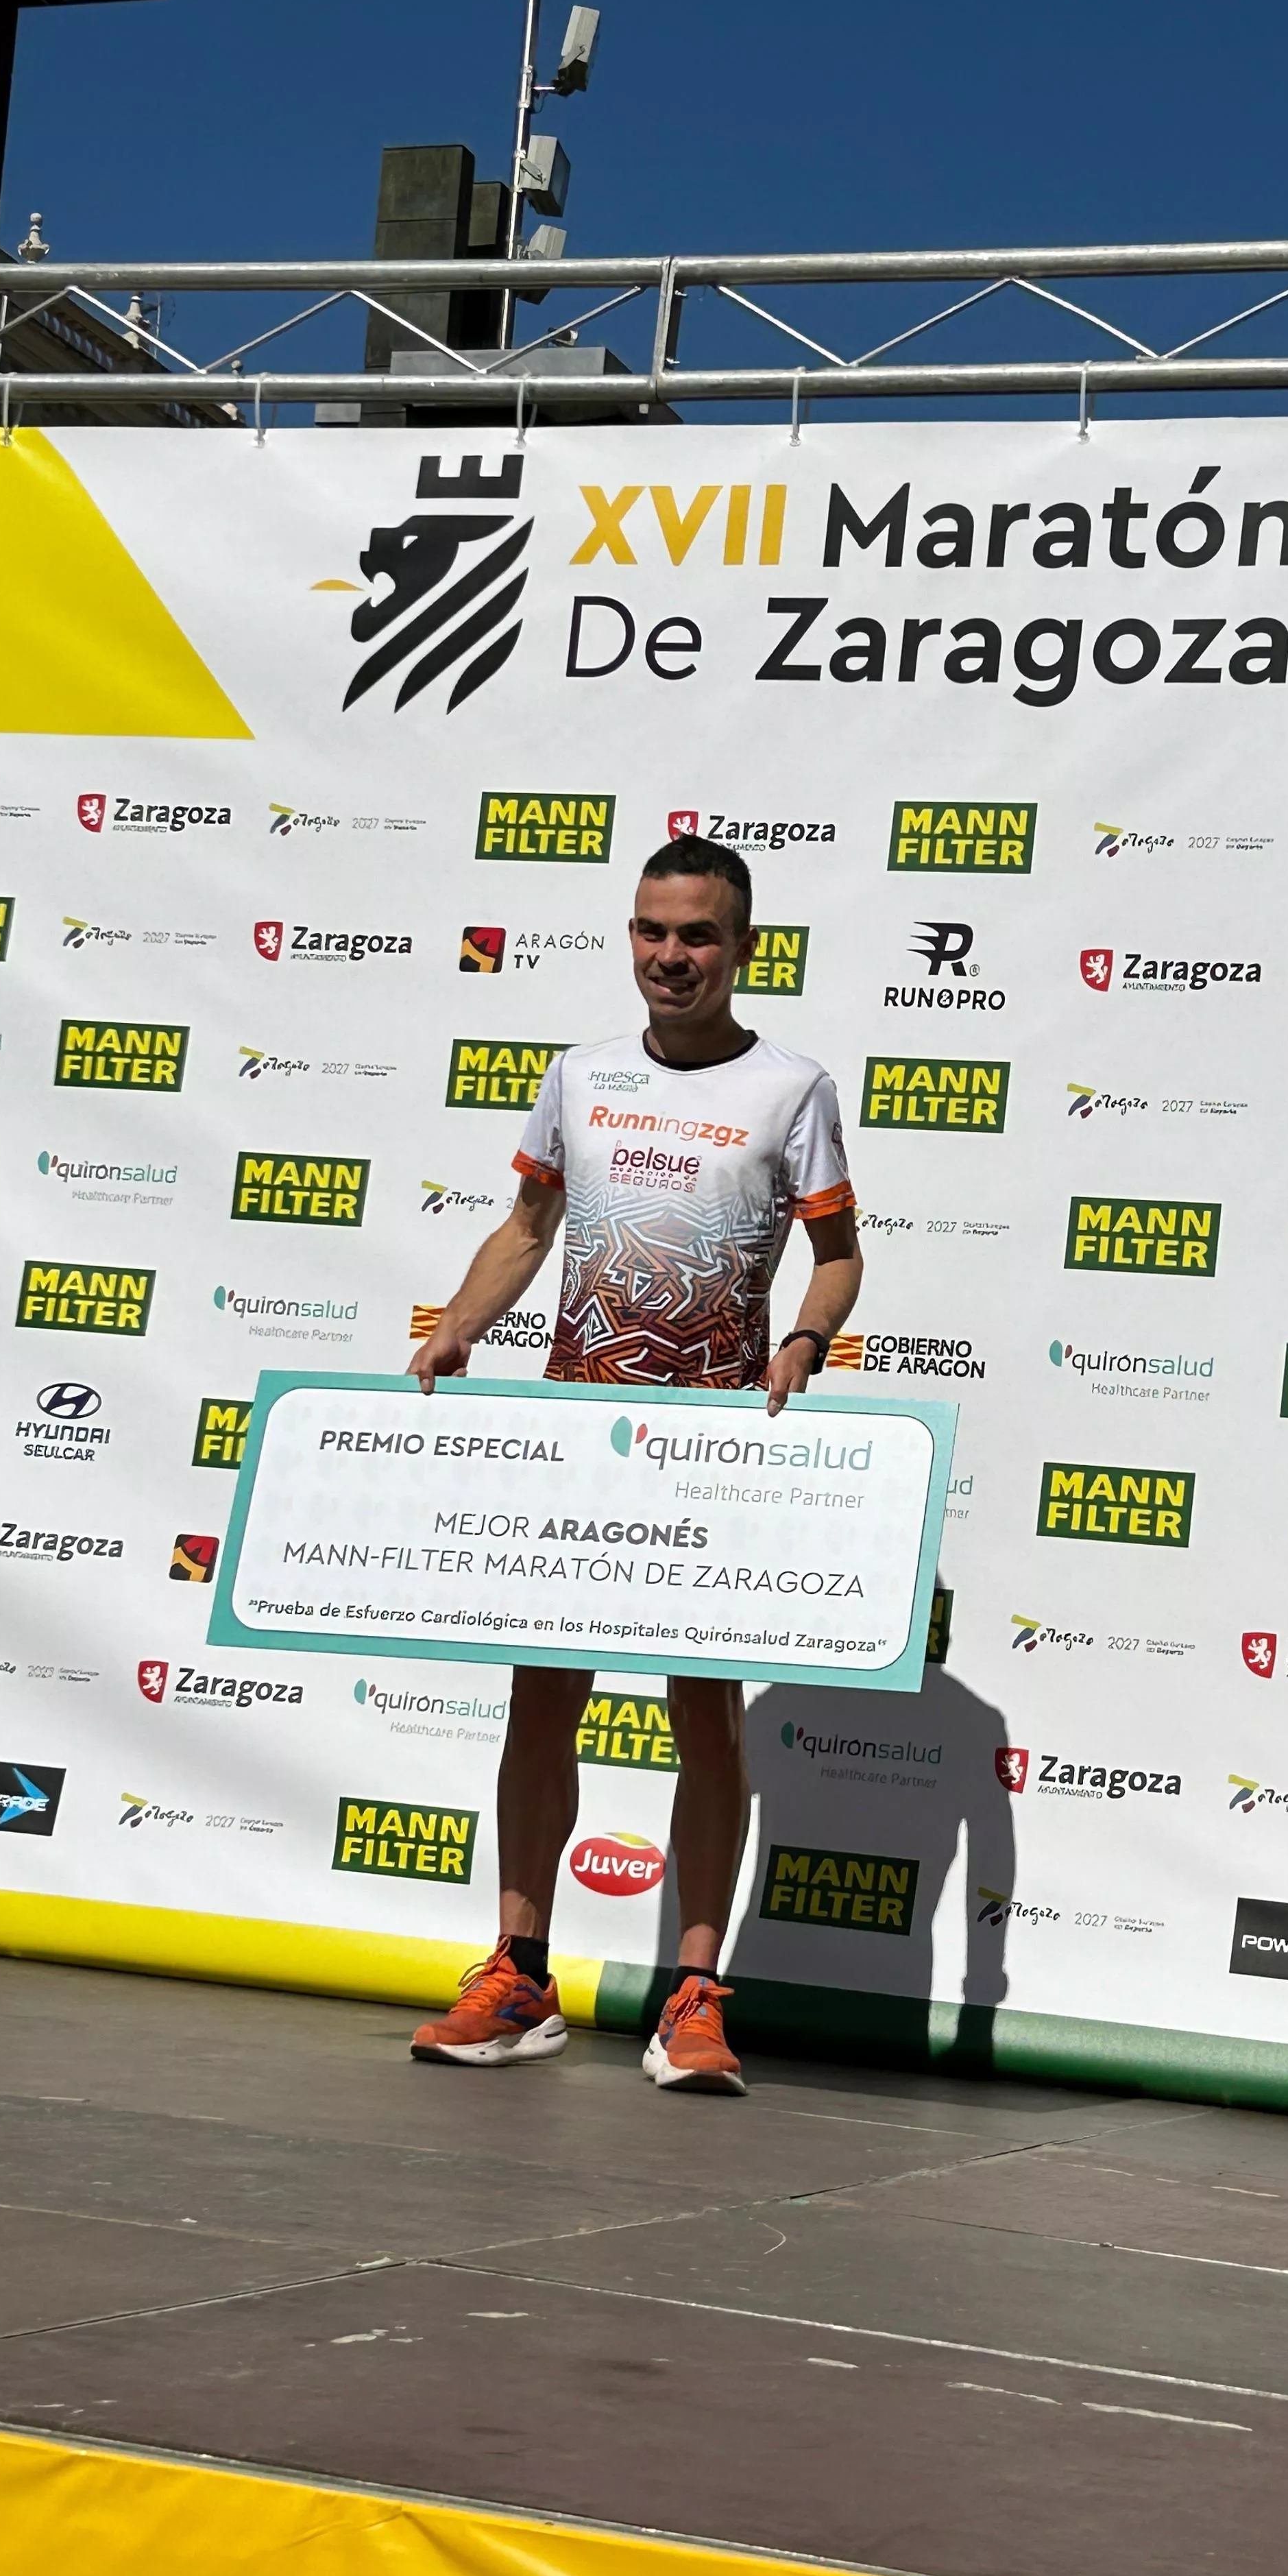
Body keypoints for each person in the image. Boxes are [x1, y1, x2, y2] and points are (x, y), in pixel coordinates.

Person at [404, 834, 862, 2096]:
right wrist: (457, 1322)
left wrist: (807, 1339)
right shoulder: (581, 1076)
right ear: (633, 938)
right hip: (578, 1438)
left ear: (743, 948)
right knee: (540, 1701)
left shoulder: (795, 1087)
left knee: (705, 1720)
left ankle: (696, 1998)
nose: (673, 957)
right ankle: (518, 1974)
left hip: (714, 1448)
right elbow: (531, 1225)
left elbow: (837, 1255)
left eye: (700, 935)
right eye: (654, 932)